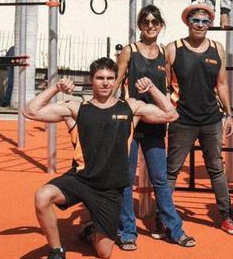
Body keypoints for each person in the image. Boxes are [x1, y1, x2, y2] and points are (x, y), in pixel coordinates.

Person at [25, 57, 177, 259]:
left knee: (104, 253)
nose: (105, 82)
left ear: (116, 81)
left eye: (110, 78)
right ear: (91, 80)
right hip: (81, 180)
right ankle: (56, 250)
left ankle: (90, 231)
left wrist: (151, 89)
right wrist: (55, 88)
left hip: (110, 189)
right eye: (100, 78)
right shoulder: (78, 107)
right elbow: (30, 111)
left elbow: (171, 115)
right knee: (43, 196)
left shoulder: (130, 107)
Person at [113, 5, 195, 250]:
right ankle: (127, 231)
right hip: (131, 124)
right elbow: (116, 84)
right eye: (146, 21)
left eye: (155, 22)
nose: (150, 25)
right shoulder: (130, 51)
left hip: (155, 126)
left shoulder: (164, 53)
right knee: (126, 180)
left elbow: (175, 83)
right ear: (140, 25)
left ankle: (174, 229)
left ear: (160, 25)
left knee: (160, 179)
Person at [165, 2, 233, 235]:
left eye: (204, 21)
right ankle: (165, 217)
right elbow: (165, 85)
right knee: (172, 170)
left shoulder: (217, 48)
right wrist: (168, 111)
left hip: (210, 119)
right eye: (195, 20)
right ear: (188, 22)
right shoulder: (173, 48)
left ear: (210, 24)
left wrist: (229, 113)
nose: (199, 25)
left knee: (216, 169)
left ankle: (227, 217)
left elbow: (221, 84)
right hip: (182, 119)